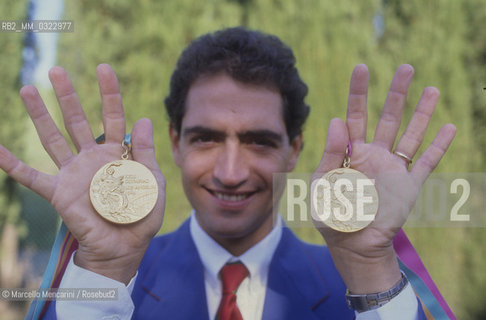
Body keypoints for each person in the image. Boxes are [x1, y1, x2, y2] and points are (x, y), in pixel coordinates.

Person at [0, 27, 455, 319]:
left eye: (259, 140)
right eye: (206, 139)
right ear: (175, 143)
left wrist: (371, 270)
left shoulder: (360, 287)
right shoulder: (107, 282)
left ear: (294, 149)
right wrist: (104, 270)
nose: (232, 172)